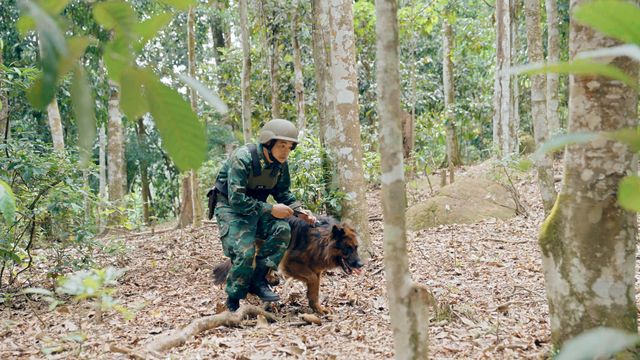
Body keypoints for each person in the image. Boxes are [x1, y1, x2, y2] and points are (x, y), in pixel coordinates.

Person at [209, 119, 317, 311]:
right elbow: (237, 200)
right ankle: (233, 299)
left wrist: (300, 211)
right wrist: (271, 209)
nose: (286, 151)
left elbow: (283, 193)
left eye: (289, 146)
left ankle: (260, 279)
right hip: (230, 206)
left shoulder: (280, 165)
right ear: (268, 143)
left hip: (256, 206)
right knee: (245, 251)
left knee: (282, 229)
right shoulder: (243, 158)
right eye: (281, 145)